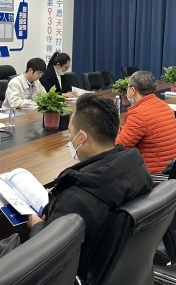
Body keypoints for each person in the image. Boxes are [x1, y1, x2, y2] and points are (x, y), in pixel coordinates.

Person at [27, 93, 151, 277]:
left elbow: (45, 257)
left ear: (82, 138)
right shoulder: (137, 168)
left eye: (70, 132)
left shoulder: (75, 198)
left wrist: (36, 226)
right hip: (123, 269)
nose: (69, 139)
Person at [115, 71, 176, 173]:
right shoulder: (164, 106)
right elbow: (137, 131)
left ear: (133, 90)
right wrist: (120, 130)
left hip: (153, 175)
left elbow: (119, 147)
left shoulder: (138, 114)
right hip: (171, 170)